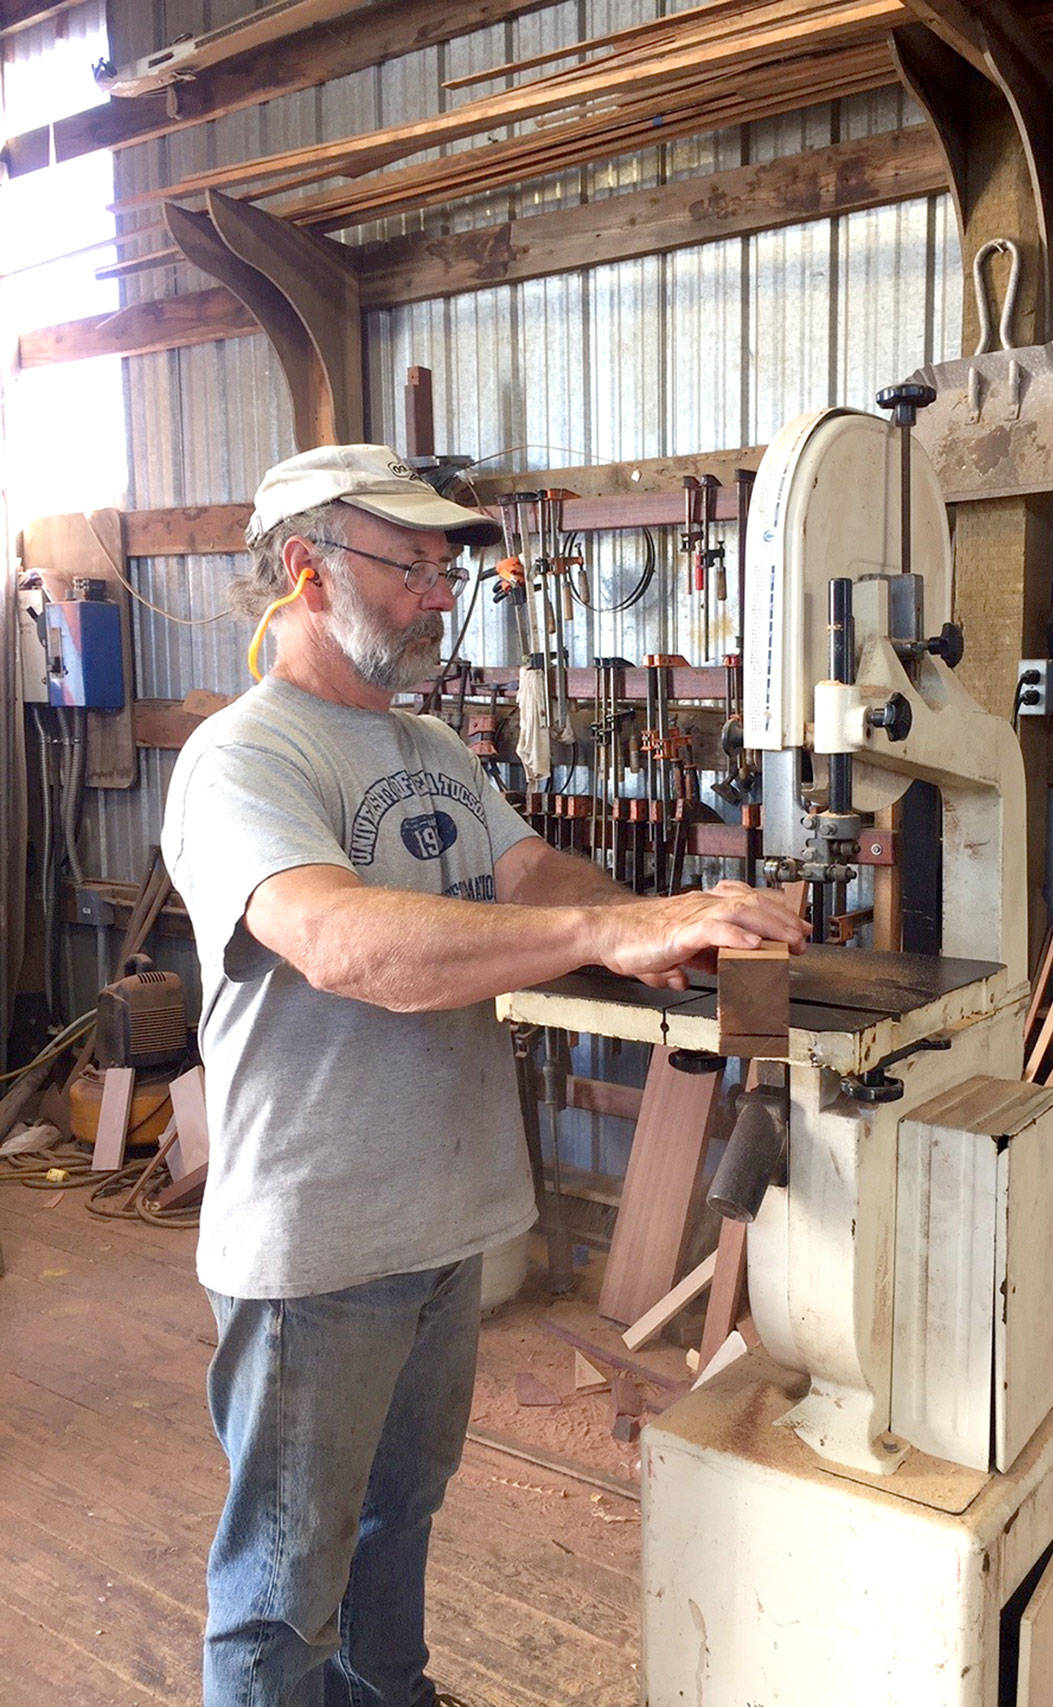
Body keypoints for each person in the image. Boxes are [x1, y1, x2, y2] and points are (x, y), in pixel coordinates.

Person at [160, 443, 807, 1707]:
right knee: (283, 1585)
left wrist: (653, 914)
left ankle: (390, 1696)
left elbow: (524, 875)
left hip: (445, 1220)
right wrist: (599, 936)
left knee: (402, 1519)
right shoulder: (246, 761)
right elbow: (348, 944)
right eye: (411, 569)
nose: (443, 596)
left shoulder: (432, 747)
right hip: (319, 1242)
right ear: (306, 571)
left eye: (445, 570)